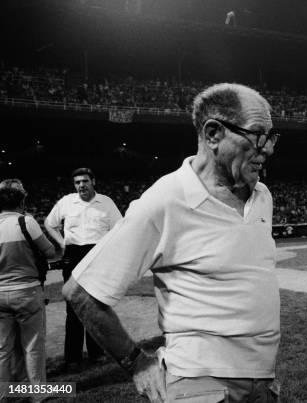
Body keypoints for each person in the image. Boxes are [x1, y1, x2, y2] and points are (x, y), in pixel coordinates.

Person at [62, 83, 281, 402]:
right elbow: (80, 292)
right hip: (199, 385)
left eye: (272, 137)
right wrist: (137, 364)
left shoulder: (262, 196)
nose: (269, 148)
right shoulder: (165, 200)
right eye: (258, 135)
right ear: (213, 134)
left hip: (262, 381)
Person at [44, 168, 122, 370]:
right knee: (73, 307)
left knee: (96, 305)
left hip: (97, 254)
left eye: (85, 181)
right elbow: (49, 223)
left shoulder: (106, 202)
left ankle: (97, 354)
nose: (81, 185)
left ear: (93, 181)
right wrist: (62, 243)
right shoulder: (66, 201)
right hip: (73, 254)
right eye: (77, 182)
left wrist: (107, 249)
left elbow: (120, 227)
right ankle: (73, 357)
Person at [0, 179, 56, 384]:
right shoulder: (26, 221)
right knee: (33, 345)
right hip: (27, 291)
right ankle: (38, 393)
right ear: (21, 202)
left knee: (3, 348)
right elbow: (50, 252)